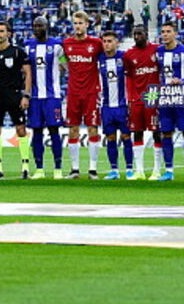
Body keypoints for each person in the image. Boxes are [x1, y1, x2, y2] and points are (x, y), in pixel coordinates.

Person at [0, 21, 32, 179]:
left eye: (1, 31)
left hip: (14, 94)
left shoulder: (18, 52)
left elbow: (27, 73)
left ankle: (25, 166)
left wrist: (26, 95)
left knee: (20, 129)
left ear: (9, 33)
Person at [62, 10, 104, 179]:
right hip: (73, 92)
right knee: (73, 129)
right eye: (75, 23)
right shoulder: (67, 44)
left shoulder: (96, 43)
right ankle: (75, 169)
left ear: (87, 24)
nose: (78, 26)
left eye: (80, 23)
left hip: (91, 92)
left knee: (93, 128)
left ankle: (92, 169)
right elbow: (62, 61)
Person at [155, 22, 184, 181]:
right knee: (166, 133)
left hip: (183, 99)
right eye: (163, 32)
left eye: (168, 32)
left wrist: (183, 80)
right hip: (165, 99)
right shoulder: (158, 52)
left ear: (175, 34)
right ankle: (169, 171)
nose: (164, 34)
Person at [24, 16, 65, 179]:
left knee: (54, 131)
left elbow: (65, 64)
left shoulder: (57, 46)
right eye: (35, 25)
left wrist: (60, 70)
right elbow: (25, 71)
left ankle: (58, 169)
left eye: (40, 25)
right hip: (35, 97)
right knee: (37, 132)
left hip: (52, 96)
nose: (37, 28)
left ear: (47, 27)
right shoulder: (27, 46)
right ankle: (39, 168)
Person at [123, 24, 162, 180]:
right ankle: (139, 170)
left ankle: (157, 170)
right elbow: (129, 77)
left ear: (146, 34)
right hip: (137, 98)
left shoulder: (156, 50)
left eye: (139, 33)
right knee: (137, 132)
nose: (137, 37)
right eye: (134, 34)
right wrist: (130, 98)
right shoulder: (129, 54)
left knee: (156, 132)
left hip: (153, 95)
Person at [98, 31, 135, 179]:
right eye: (105, 41)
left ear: (116, 42)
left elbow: (133, 76)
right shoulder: (99, 59)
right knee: (110, 138)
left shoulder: (124, 57)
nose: (107, 44)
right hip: (106, 106)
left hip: (123, 105)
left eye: (110, 41)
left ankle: (129, 169)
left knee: (126, 137)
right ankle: (114, 170)